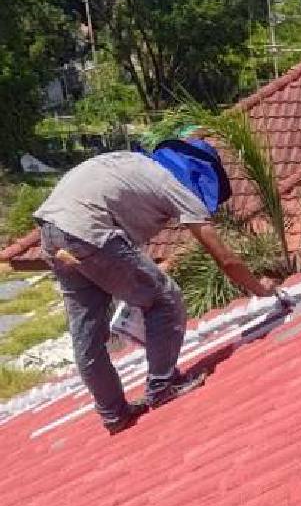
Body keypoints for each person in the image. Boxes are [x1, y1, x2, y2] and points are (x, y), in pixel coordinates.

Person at [33, 140, 276, 435]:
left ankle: (114, 414)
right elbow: (225, 259)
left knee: (88, 335)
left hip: (51, 232)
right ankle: (163, 386)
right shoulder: (177, 187)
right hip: (87, 233)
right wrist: (262, 291)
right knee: (164, 298)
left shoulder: (133, 163)